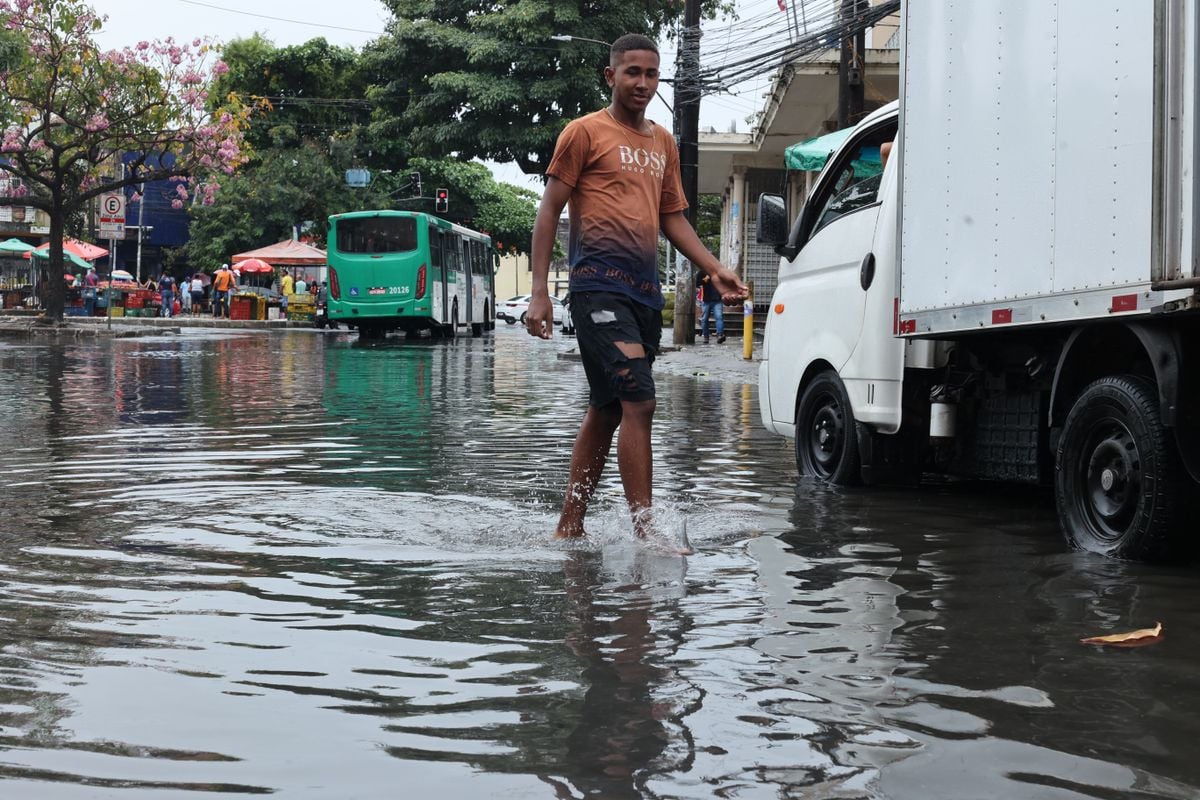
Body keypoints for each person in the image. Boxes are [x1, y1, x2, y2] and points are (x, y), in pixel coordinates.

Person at [525, 33, 747, 547]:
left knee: (606, 407)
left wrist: (715, 268)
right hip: (595, 288)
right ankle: (646, 532)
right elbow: (548, 210)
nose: (643, 83)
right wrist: (540, 292)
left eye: (651, 74)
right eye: (632, 73)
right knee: (640, 401)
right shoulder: (583, 133)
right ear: (611, 76)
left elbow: (673, 217)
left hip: (644, 294)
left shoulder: (663, 143)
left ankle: (569, 525)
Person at [696, 269, 726, 344]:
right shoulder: (702, 271)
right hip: (706, 299)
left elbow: (724, 283)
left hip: (717, 299)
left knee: (719, 317)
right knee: (704, 319)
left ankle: (720, 335)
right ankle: (706, 336)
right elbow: (697, 283)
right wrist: (704, 280)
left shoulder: (718, 271)